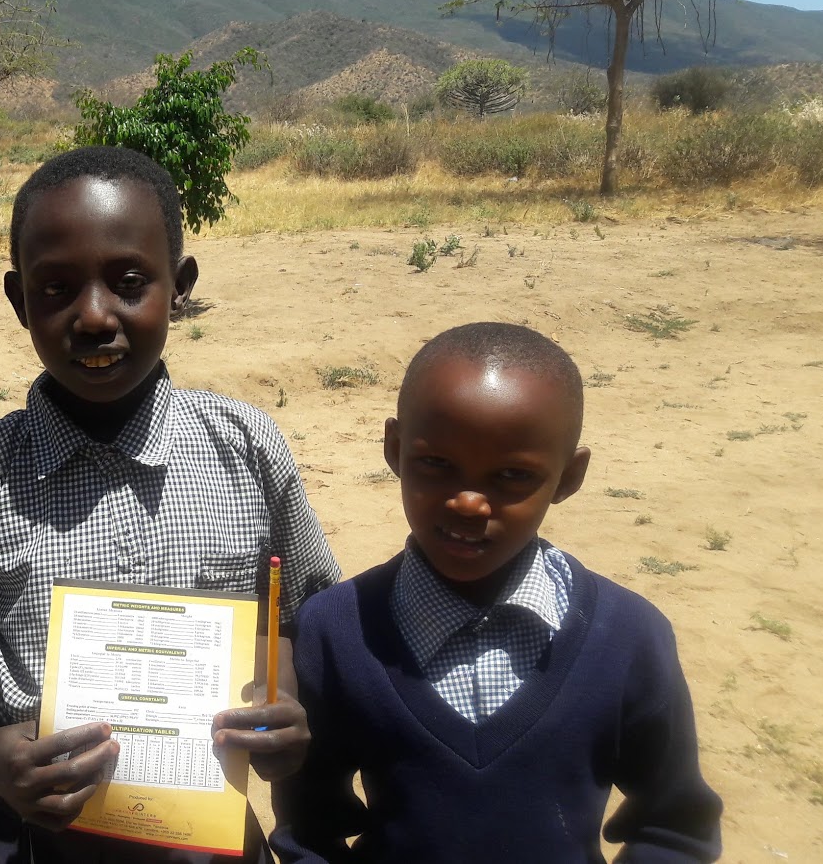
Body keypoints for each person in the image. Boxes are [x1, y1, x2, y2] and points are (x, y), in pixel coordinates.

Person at [0, 145, 342, 863]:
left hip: (209, 842)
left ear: (179, 287)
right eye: (56, 289)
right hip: (38, 842)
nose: (94, 317)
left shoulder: (246, 448)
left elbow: (294, 617)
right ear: (19, 300)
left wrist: (282, 705)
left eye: (128, 283)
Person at [272, 322, 723, 863]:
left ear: (568, 477)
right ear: (394, 449)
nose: (468, 503)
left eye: (512, 476)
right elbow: (308, 827)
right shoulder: (338, 629)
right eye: (436, 464)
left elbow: (674, 827)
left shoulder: (627, 637)